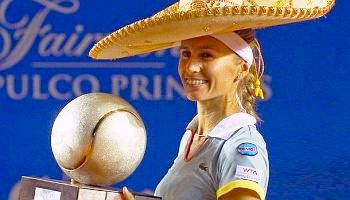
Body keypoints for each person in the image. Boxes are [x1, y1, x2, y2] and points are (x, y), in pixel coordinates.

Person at [89, 0, 335, 199]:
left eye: (206, 55)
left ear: (241, 68)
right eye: (186, 54)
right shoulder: (194, 138)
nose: (191, 66)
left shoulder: (241, 147)